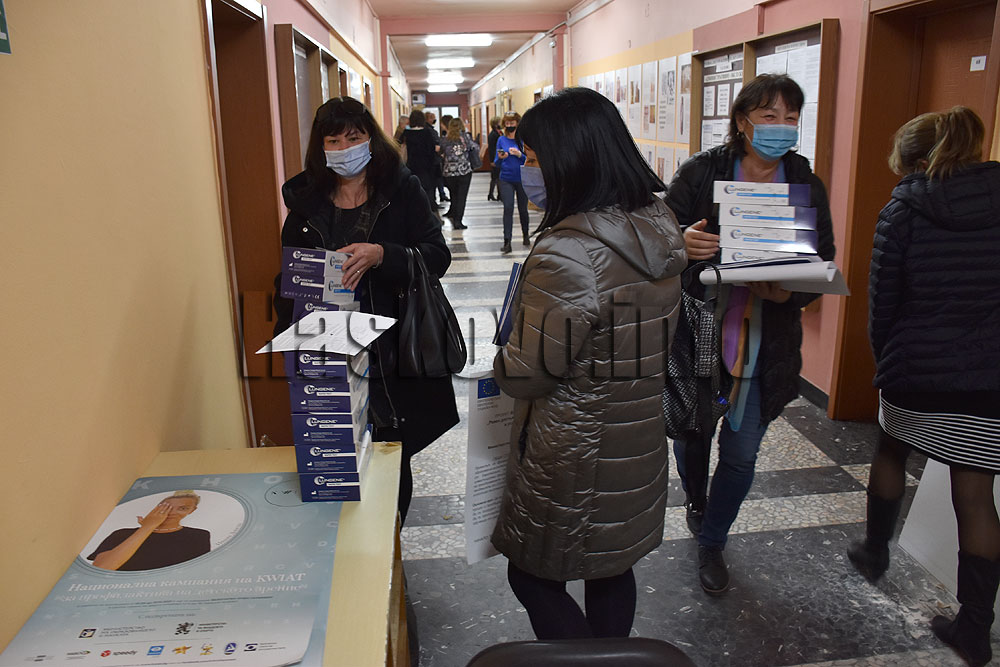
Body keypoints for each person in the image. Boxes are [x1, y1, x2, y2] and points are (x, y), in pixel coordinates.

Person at [491, 87, 686, 640]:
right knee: (610, 568)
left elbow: (530, 372)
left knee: (532, 577)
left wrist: (502, 356)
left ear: (569, 160)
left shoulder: (571, 252)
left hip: (573, 449)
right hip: (635, 434)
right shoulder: (656, 221)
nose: (527, 171)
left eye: (534, 158)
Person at [664, 74, 835, 595]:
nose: (781, 127)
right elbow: (658, 237)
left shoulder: (804, 182)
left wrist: (788, 293)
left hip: (766, 341)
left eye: (790, 118)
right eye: (768, 116)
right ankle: (696, 498)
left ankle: (713, 540)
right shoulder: (702, 172)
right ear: (742, 121)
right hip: (701, 334)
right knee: (692, 436)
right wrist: (681, 244)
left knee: (740, 454)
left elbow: (821, 258)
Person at [849, 106, 1000, 667]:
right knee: (976, 493)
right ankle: (974, 630)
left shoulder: (904, 209)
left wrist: (885, 358)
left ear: (913, 159)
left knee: (891, 450)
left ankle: (874, 553)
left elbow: (883, 302)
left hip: (917, 368)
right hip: (991, 377)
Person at [274, 97, 459, 524]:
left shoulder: (401, 190)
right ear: (321, 147)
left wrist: (383, 254)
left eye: (353, 137)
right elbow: (288, 280)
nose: (344, 148)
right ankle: (350, 549)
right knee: (336, 459)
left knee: (392, 459)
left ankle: (388, 546)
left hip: (393, 348)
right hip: (329, 352)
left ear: (370, 139)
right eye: (333, 141)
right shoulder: (305, 203)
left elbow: (437, 255)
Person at [88, 491, 210, 571]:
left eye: (183, 508)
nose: (172, 512)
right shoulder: (122, 534)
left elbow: (196, 572)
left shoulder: (198, 536)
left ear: (192, 510)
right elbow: (102, 568)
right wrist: (147, 528)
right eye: (166, 507)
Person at [495, 111, 530, 253]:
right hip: (506, 178)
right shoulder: (501, 140)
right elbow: (496, 161)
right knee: (508, 208)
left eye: (512, 123)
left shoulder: (523, 139)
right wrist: (501, 157)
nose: (509, 125)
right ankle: (507, 241)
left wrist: (519, 154)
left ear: (517, 123)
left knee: (523, 209)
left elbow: (529, 159)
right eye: (507, 123)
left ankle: (526, 234)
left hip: (522, 178)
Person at [402, 109, 440, 211]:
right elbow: (431, 152)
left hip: (411, 168)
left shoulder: (406, 134)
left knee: (413, 194)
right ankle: (429, 213)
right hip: (426, 169)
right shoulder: (427, 133)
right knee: (428, 193)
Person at [439, 118, 473, 230]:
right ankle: (458, 221)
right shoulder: (465, 137)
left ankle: (454, 215)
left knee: (454, 195)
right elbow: (472, 148)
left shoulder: (445, 139)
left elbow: (440, 151)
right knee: (461, 197)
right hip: (464, 171)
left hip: (449, 172)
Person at [425, 110, 449, 205]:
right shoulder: (430, 131)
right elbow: (436, 144)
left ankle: (439, 196)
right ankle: (438, 197)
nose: (434, 120)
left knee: (437, 179)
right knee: (437, 179)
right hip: (435, 159)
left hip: (434, 159)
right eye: (432, 118)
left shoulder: (429, 130)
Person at [486, 116, 502, 201]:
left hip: (498, 158)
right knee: (496, 177)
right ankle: (496, 194)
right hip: (495, 158)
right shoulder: (493, 135)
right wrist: (492, 160)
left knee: (496, 177)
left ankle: (492, 194)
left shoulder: (498, 133)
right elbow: (492, 149)